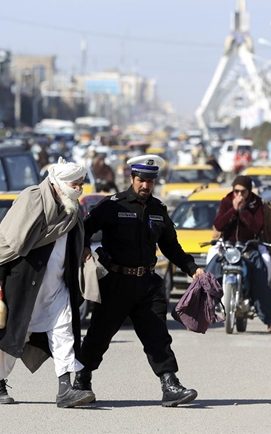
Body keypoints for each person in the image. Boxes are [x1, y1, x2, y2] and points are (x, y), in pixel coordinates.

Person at [75, 154, 202, 407]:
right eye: (141, 180)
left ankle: (170, 384)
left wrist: (193, 269)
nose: (145, 186)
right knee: (98, 336)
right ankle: (81, 380)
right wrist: (84, 248)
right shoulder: (113, 205)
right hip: (115, 283)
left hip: (147, 284)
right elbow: (83, 229)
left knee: (157, 336)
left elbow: (170, 247)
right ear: (131, 178)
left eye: (150, 182)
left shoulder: (158, 210)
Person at [0, 158, 96, 408]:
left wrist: (84, 248)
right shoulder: (33, 198)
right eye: (74, 184)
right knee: (17, 334)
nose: (79, 189)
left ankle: (66, 389)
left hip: (57, 284)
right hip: (25, 281)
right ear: (59, 183)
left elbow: (76, 237)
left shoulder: (72, 207)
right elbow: (7, 238)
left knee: (64, 331)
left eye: (81, 184)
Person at [210, 175, 271, 333]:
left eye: (243, 192)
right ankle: (200, 314)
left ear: (249, 191)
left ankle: (270, 321)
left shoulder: (258, 204)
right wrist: (233, 210)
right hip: (227, 248)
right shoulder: (226, 201)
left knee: (261, 282)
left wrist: (242, 211)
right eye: (236, 191)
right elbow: (218, 224)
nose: (239, 195)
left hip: (249, 248)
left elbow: (257, 227)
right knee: (208, 275)